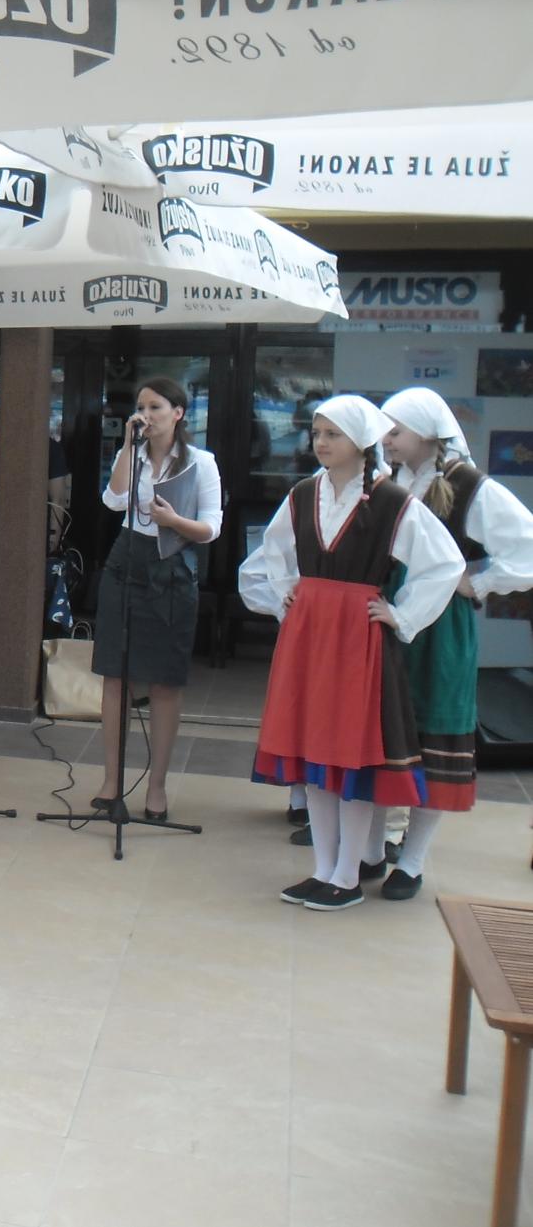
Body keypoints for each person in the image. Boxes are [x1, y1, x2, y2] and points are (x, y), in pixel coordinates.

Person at [240, 395, 463, 911]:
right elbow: (273, 548)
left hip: (356, 637)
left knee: (349, 753)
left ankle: (347, 875)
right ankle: (324, 868)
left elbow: (444, 563)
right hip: (311, 631)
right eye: (317, 432)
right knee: (314, 749)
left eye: (332, 434)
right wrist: (286, 592)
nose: (320, 442)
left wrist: (401, 615)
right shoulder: (303, 494)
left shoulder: (390, 502)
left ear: (362, 442)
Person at [369, 388, 533, 898]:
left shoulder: (469, 486)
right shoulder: (390, 479)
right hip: (389, 619)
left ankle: (412, 860)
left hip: (441, 628)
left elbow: (527, 547)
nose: (386, 440)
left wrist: (478, 582)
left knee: (434, 736)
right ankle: (374, 847)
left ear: (426, 433)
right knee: (384, 734)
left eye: (395, 431)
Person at [91, 377, 224, 820]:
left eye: (155, 407)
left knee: (165, 681)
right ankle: (111, 782)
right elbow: (113, 501)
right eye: (141, 407)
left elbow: (211, 528)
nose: (145, 415)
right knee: (116, 676)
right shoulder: (133, 454)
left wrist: (175, 521)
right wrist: (128, 448)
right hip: (126, 561)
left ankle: (157, 787)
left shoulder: (201, 462)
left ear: (178, 413)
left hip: (172, 566)